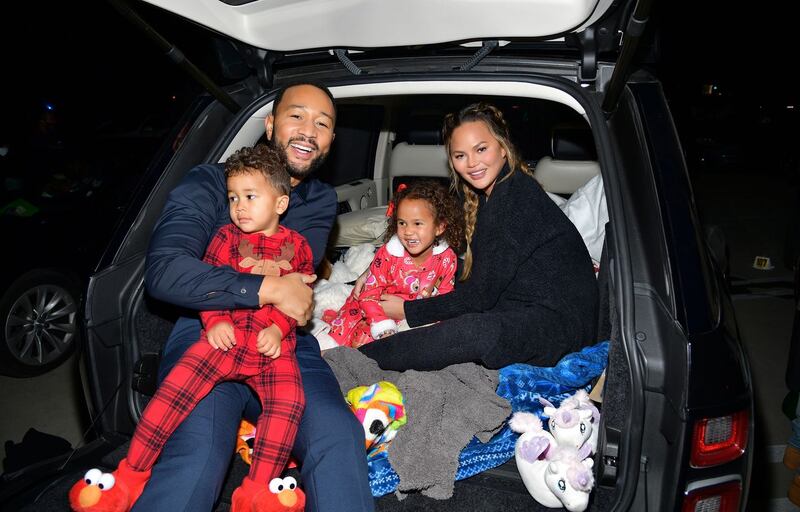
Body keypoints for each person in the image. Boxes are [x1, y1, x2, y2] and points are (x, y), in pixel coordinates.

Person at [131, 83, 373, 512]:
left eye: (322, 123)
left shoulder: (318, 200)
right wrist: (265, 287)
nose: (307, 131)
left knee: (338, 434)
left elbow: (298, 287)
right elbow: (166, 271)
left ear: (332, 141)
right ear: (269, 124)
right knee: (199, 450)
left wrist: (277, 289)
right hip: (211, 330)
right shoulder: (210, 183)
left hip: (284, 343)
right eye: (296, 116)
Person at [70, 144, 313, 511]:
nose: (239, 207)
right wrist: (213, 320)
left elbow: (299, 294)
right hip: (225, 338)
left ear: (280, 204)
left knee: (289, 402)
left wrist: (279, 329)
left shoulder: (299, 246)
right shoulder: (224, 238)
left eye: (250, 196)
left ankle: (259, 489)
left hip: (271, 347)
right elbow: (208, 284)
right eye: (232, 198)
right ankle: (129, 476)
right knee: (171, 394)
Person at [359, 102, 599, 371]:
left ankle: (355, 360)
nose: (472, 164)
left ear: (503, 147)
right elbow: (477, 269)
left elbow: (480, 296)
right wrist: (382, 270)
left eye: (481, 149)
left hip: (561, 327)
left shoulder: (516, 199)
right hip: (524, 302)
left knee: (475, 331)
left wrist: (407, 311)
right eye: (460, 155)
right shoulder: (488, 194)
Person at [321, 180, 464, 348]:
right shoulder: (388, 255)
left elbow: (444, 296)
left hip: (416, 312)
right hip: (376, 309)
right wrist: (382, 325)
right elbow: (369, 295)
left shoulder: (447, 259)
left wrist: (431, 318)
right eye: (402, 223)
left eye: (417, 223)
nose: (408, 231)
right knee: (360, 343)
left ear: (439, 227)